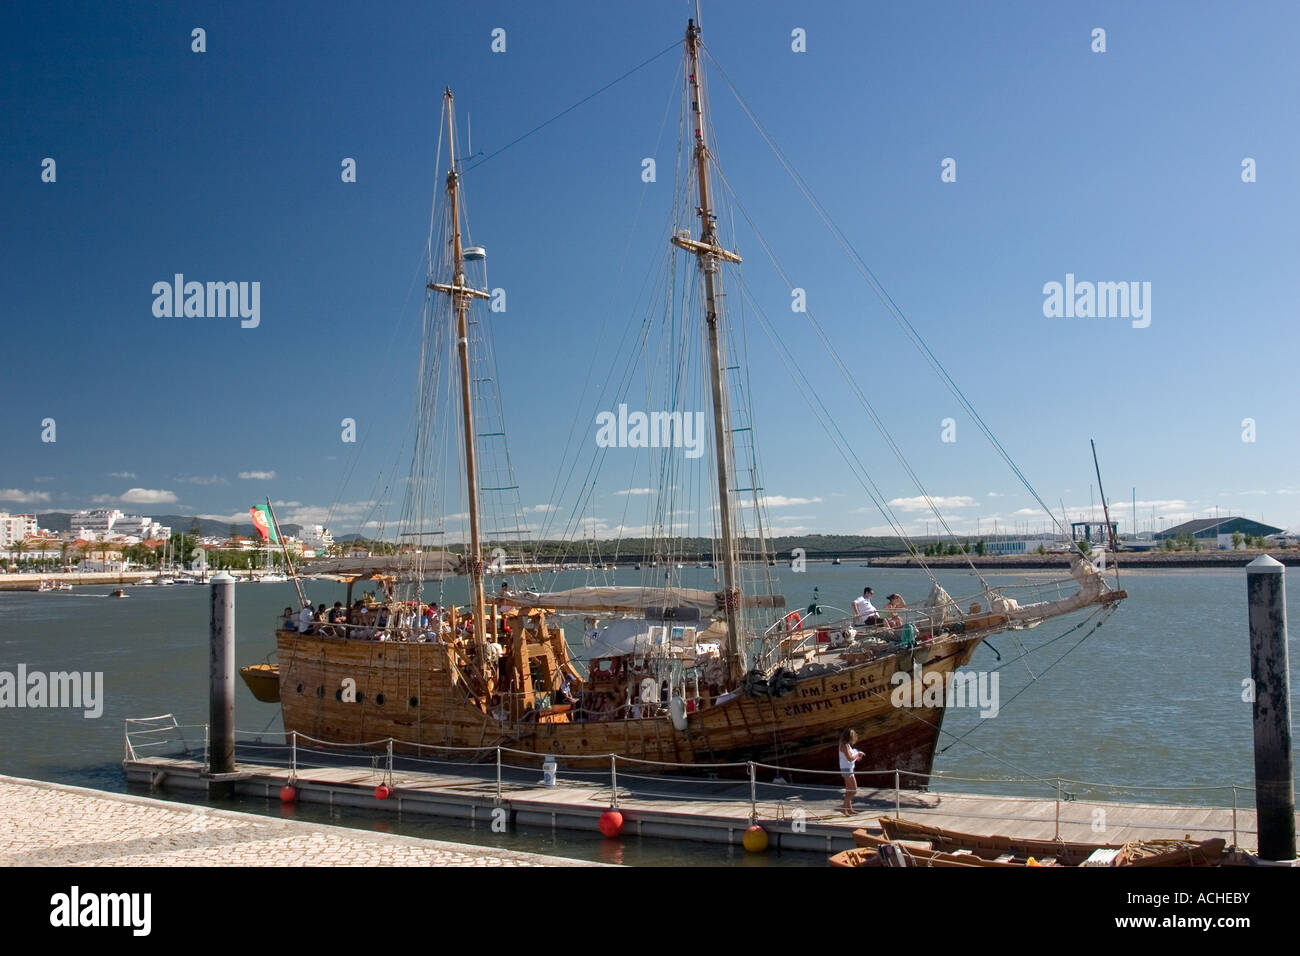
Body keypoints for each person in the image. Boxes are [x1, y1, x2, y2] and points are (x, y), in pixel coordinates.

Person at [838, 728, 863, 814]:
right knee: (853, 790)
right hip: (847, 769)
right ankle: (844, 807)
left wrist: (856, 757)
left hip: (848, 768)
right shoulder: (844, 746)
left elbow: (850, 758)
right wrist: (857, 754)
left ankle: (849, 809)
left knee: (849, 790)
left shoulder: (846, 745)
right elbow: (849, 758)